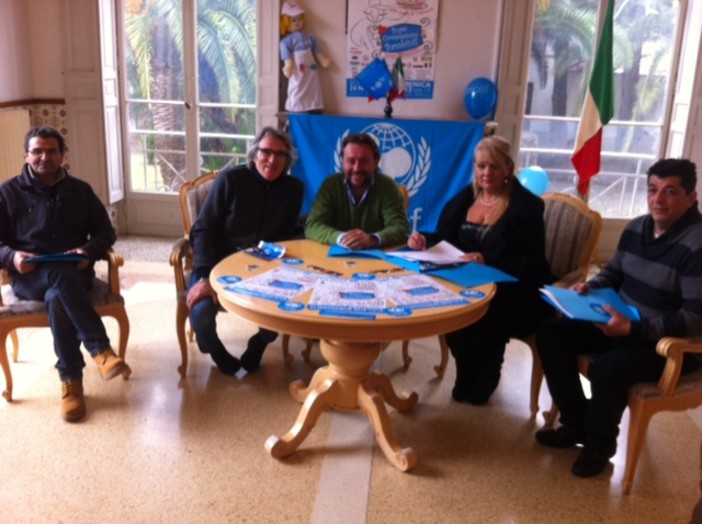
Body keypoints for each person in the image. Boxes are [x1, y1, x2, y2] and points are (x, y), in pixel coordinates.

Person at [535, 158, 702, 478]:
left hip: (668, 345)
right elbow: (613, 273)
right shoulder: (638, 226)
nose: (658, 199)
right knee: (551, 333)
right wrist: (591, 286)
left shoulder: (697, 246)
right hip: (622, 321)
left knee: (608, 369)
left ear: (691, 198)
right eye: (653, 190)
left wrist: (635, 329)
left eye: (670, 191)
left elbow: (696, 319)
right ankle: (576, 424)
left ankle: (600, 446)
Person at [406, 135, 553, 404]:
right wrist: (424, 240)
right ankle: (465, 369)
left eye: (494, 166)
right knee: (450, 308)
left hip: (511, 289)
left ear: (508, 169)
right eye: (481, 166)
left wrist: (488, 261)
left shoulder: (527, 206)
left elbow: (531, 262)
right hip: (466, 280)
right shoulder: (468, 196)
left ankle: (487, 374)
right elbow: (447, 238)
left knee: (485, 313)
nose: (486, 173)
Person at [0, 126, 129, 422]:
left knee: (58, 293)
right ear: (26, 154)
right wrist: (12, 256)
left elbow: (105, 233)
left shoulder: (80, 191)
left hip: (75, 273)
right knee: (57, 279)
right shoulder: (7, 193)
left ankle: (71, 384)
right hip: (29, 277)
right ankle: (100, 350)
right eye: (37, 151)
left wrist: (87, 252)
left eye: (52, 151)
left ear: (62, 155)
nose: (44, 157)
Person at [187, 126, 304, 375]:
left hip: (265, 269)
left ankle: (260, 342)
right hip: (217, 266)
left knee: (282, 307)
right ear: (254, 153)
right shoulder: (230, 180)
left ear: (287, 160)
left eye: (280, 155)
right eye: (266, 152)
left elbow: (287, 236)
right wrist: (204, 276)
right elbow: (202, 230)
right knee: (201, 313)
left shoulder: (294, 189)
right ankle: (216, 351)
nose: (272, 160)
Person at [304, 132, 410, 249]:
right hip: (335, 258)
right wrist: (342, 238)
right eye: (351, 161)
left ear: (376, 162)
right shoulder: (330, 185)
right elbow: (313, 225)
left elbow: (401, 229)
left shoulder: (387, 186)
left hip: (377, 261)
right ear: (342, 162)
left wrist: (372, 239)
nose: (357, 168)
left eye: (364, 161)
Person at [279, 0, 331, 113]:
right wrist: (288, 67)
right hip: (298, 73)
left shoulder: (310, 37)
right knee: (297, 88)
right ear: (286, 22)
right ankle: (297, 108)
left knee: (313, 88)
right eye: (293, 20)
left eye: (299, 19)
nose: (297, 22)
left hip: (311, 73)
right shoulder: (286, 42)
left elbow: (317, 52)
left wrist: (323, 60)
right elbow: (288, 61)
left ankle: (314, 106)